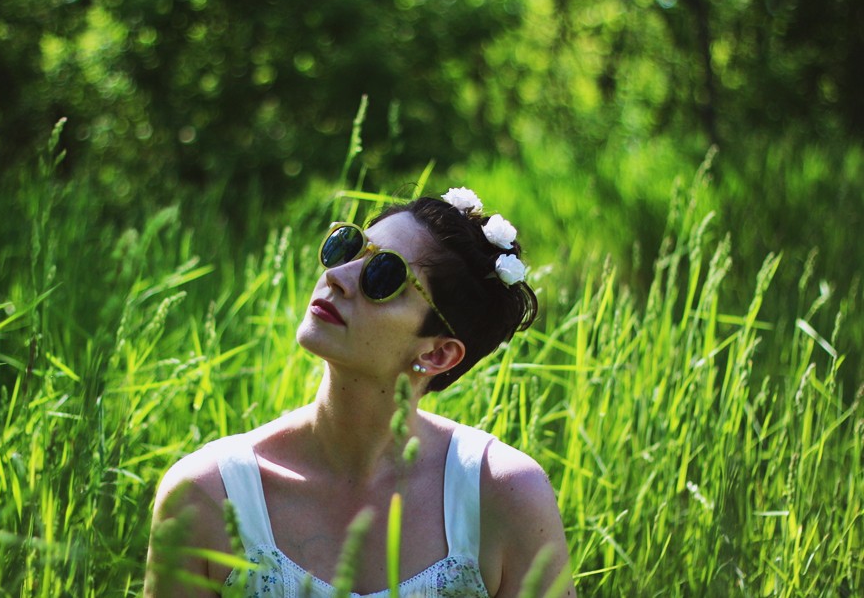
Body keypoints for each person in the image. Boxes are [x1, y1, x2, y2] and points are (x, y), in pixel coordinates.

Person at [144, 188, 575, 597]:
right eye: (347, 247)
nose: (337, 276)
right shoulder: (207, 495)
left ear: (438, 353)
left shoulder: (504, 496)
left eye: (382, 276)